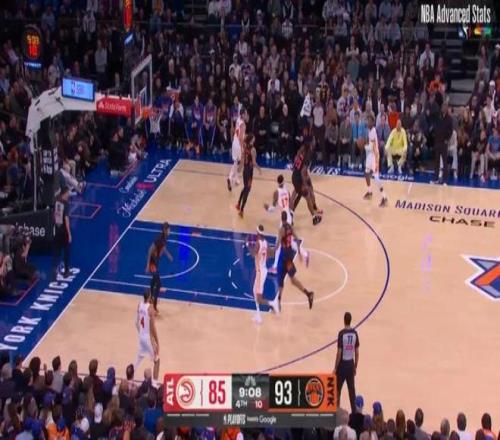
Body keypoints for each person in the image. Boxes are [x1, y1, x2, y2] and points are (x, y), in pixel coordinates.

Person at [275, 211, 314, 311]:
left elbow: (278, 244)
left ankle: (278, 302)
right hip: (289, 255)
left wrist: (271, 250)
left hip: (284, 256)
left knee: (281, 279)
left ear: (281, 218)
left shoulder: (281, 230)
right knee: (292, 280)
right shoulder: (290, 227)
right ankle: (308, 294)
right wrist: (299, 253)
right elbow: (297, 239)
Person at [246, 225, 279, 324]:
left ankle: (272, 304)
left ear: (258, 233)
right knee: (254, 292)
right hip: (262, 269)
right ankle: (258, 315)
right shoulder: (266, 243)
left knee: (259, 298)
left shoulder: (258, 243)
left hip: (260, 272)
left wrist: (248, 245)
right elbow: (268, 256)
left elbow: (253, 254)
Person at [290, 139, 322, 225]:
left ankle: (290, 215)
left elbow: (295, 166)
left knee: (295, 195)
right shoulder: (307, 158)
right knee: (307, 197)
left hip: (294, 177)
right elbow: (303, 172)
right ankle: (314, 218)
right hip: (299, 179)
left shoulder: (299, 155)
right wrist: (304, 184)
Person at [334, 311, 360, 415]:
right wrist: (355, 366)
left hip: (342, 365)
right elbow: (357, 352)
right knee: (352, 391)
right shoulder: (355, 333)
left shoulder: (341, 334)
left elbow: (339, 353)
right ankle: (354, 413)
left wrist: (335, 367)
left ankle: (337, 412)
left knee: (337, 390)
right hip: (350, 364)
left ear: (344, 320)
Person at [145, 222, 173, 313]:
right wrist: (147, 265)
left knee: (154, 280)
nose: (170, 231)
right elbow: (150, 250)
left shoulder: (164, 238)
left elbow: (163, 247)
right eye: (168, 229)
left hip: (156, 262)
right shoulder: (159, 238)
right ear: (164, 230)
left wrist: (168, 255)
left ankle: (151, 298)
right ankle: (154, 304)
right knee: (159, 284)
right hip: (152, 263)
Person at [135, 289, 160, 382]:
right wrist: (157, 342)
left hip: (141, 337)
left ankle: (129, 377)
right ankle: (154, 384)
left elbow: (136, 323)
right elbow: (153, 328)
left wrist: (140, 332)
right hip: (148, 339)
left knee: (138, 359)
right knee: (157, 360)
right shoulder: (150, 309)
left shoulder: (139, 305)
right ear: (149, 296)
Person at [363, 115, 388, 207]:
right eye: (367, 121)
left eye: (369, 121)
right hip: (370, 155)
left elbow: (371, 147)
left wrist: (363, 146)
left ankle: (384, 197)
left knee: (376, 177)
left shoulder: (373, 131)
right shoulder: (369, 130)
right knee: (366, 173)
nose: (367, 122)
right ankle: (369, 192)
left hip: (375, 156)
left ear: (373, 123)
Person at [236, 134, 261, 217]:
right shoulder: (253, 149)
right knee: (247, 190)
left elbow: (242, 160)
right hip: (249, 172)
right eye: (253, 138)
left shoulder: (245, 147)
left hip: (245, 171)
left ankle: (238, 204)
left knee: (245, 188)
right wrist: (259, 169)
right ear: (251, 140)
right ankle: (241, 210)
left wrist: (239, 168)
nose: (255, 139)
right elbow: (253, 162)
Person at [431, 102, 453, 184]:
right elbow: (435, 126)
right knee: (436, 161)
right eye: (443, 107)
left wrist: (447, 139)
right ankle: (436, 178)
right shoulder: (438, 116)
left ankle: (445, 180)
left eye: (445, 107)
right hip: (437, 141)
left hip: (444, 142)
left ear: (447, 108)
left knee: (444, 161)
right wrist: (435, 135)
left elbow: (450, 131)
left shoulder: (449, 118)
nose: (444, 108)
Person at [52, 186, 71, 280]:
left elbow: (53, 215)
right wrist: (69, 233)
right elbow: (66, 219)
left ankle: (54, 272)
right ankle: (66, 271)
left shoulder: (56, 202)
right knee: (67, 251)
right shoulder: (66, 204)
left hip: (57, 230)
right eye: (68, 193)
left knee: (56, 252)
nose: (69, 194)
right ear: (65, 193)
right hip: (64, 231)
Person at [227, 107, 247, 191]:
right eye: (245, 113)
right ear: (243, 114)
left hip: (234, 143)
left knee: (236, 162)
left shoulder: (238, 119)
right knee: (241, 161)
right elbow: (241, 138)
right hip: (238, 144)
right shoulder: (243, 124)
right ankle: (235, 178)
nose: (246, 115)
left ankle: (231, 177)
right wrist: (243, 147)